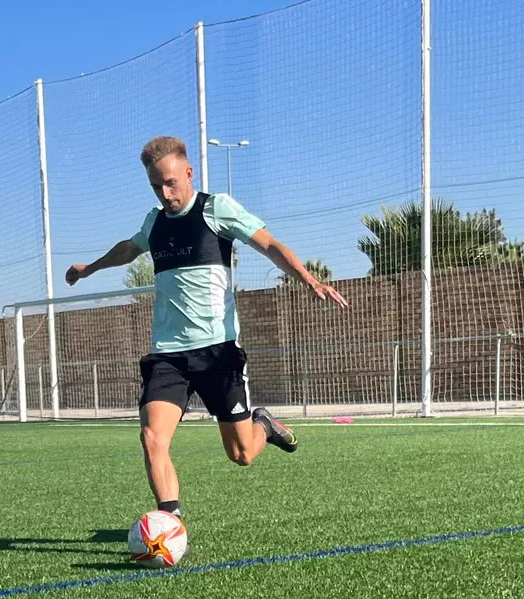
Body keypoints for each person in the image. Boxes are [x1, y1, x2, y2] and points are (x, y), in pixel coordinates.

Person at [66, 136, 348, 519]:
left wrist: (308, 279)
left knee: (242, 454)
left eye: (171, 183)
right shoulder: (154, 223)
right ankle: (170, 521)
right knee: (152, 438)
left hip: (218, 353)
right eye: (156, 186)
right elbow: (128, 249)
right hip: (168, 354)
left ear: (188, 172)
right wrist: (90, 268)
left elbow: (268, 245)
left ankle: (262, 424)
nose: (165, 194)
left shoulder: (216, 209)